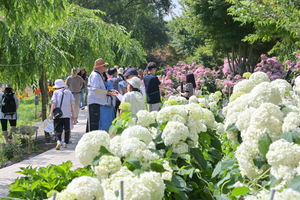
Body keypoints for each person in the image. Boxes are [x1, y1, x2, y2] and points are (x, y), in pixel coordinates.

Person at [86, 58, 117, 132]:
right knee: (93, 125)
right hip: (94, 102)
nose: (105, 68)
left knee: (95, 124)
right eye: (104, 66)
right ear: (99, 67)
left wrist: (108, 91)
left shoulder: (98, 75)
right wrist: (107, 92)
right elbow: (95, 89)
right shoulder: (95, 75)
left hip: (98, 102)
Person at [49, 79, 75, 150]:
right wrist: (73, 114)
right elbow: (73, 104)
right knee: (66, 128)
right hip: (67, 114)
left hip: (58, 114)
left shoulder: (56, 92)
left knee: (58, 129)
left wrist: (51, 113)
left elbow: (53, 103)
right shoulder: (69, 93)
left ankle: (58, 141)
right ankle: (65, 142)